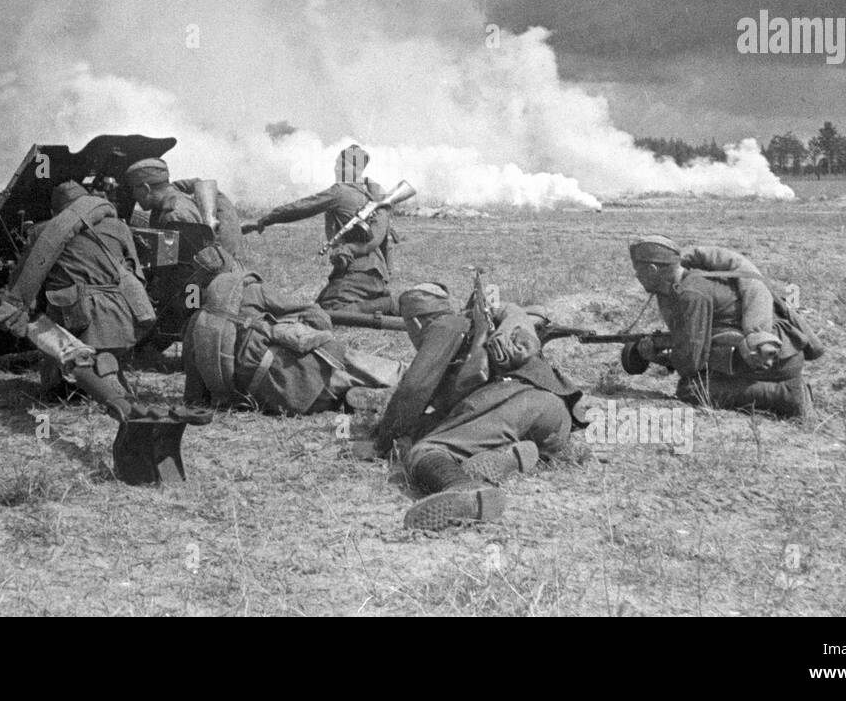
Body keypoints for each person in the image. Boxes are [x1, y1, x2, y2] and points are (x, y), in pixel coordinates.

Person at [371, 283, 587, 531]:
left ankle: (467, 490)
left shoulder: (445, 327)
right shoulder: (479, 325)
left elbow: (413, 390)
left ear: (417, 322)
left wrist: (382, 441)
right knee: (461, 436)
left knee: (426, 450)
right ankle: (506, 456)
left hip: (515, 400)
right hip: (556, 417)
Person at [181, 244, 401, 415]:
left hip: (259, 398)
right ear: (231, 268)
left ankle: (354, 396)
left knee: (336, 390)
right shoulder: (253, 291)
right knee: (347, 363)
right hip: (290, 377)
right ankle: (405, 378)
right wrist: (321, 335)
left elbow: (193, 395)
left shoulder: (196, 322)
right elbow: (312, 311)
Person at [627, 235, 821, 420]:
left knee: (692, 389)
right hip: (776, 354)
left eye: (638, 270)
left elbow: (690, 364)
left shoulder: (691, 293)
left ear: (652, 269)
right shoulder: (689, 283)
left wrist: (655, 356)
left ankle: (788, 395)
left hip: (771, 356)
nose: (636, 276)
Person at [3, 180, 157, 401]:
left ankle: (79, 379)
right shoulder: (120, 227)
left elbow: (24, 279)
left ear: (56, 211)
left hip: (77, 317)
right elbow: (134, 269)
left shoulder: (44, 232)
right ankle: (106, 367)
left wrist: (12, 303)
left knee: (55, 390)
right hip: (121, 317)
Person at [242, 144, 395, 313]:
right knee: (319, 308)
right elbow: (384, 241)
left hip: (357, 273)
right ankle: (379, 298)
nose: (336, 168)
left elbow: (302, 207)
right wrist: (386, 275)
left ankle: (389, 305)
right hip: (375, 276)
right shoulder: (373, 198)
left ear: (351, 167)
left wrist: (265, 220)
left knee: (331, 310)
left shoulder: (341, 192)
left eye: (340, 164)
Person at [124, 157, 245, 259]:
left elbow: (187, 266)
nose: (133, 195)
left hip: (193, 285)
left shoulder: (174, 216)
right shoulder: (170, 201)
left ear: (146, 188)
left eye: (133, 189)